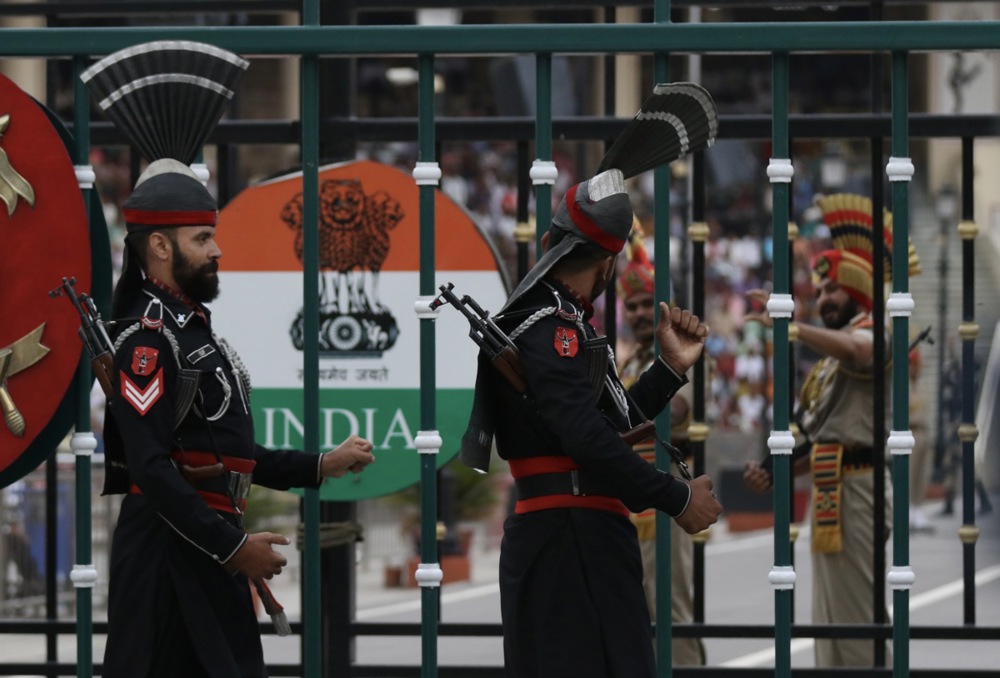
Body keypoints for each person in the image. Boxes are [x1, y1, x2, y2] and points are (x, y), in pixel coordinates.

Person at [100, 160, 376, 678]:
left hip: (204, 548)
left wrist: (321, 465)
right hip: (169, 556)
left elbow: (228, 455)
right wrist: (234, 548)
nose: (216, 250)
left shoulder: (190, 330)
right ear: (160, 246)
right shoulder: (148, 340)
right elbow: (150, 467)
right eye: (202, 238)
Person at [461, 168, 722, 678]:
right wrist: (678, 497)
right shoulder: (554, 325)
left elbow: (613, 420)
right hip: (574, 539)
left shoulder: (558, 320)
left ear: (547, 244)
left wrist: (668, 369)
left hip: (571, 534)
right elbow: (584, 436)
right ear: (609, 261)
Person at [742, 193, 918, 667]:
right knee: (829, 619)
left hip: (859, 486)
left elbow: (861, 351)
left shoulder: (877, 330)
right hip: (828, 484)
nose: (823, 300)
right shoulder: (827, 360)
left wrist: (794, 328)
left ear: (857, 290)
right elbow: (824, 436)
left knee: (856, 617)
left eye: (832, 290)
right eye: (818, 293)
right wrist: (778, 472)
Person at [616, 226, 706, 665]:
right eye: (629, 305)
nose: (635, 313)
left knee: (668, 608)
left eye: (645, 304)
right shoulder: (626, 359)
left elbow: (681, 409)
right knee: (629, 610)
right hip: (626, 495)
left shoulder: (683, 352)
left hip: (665, 493)